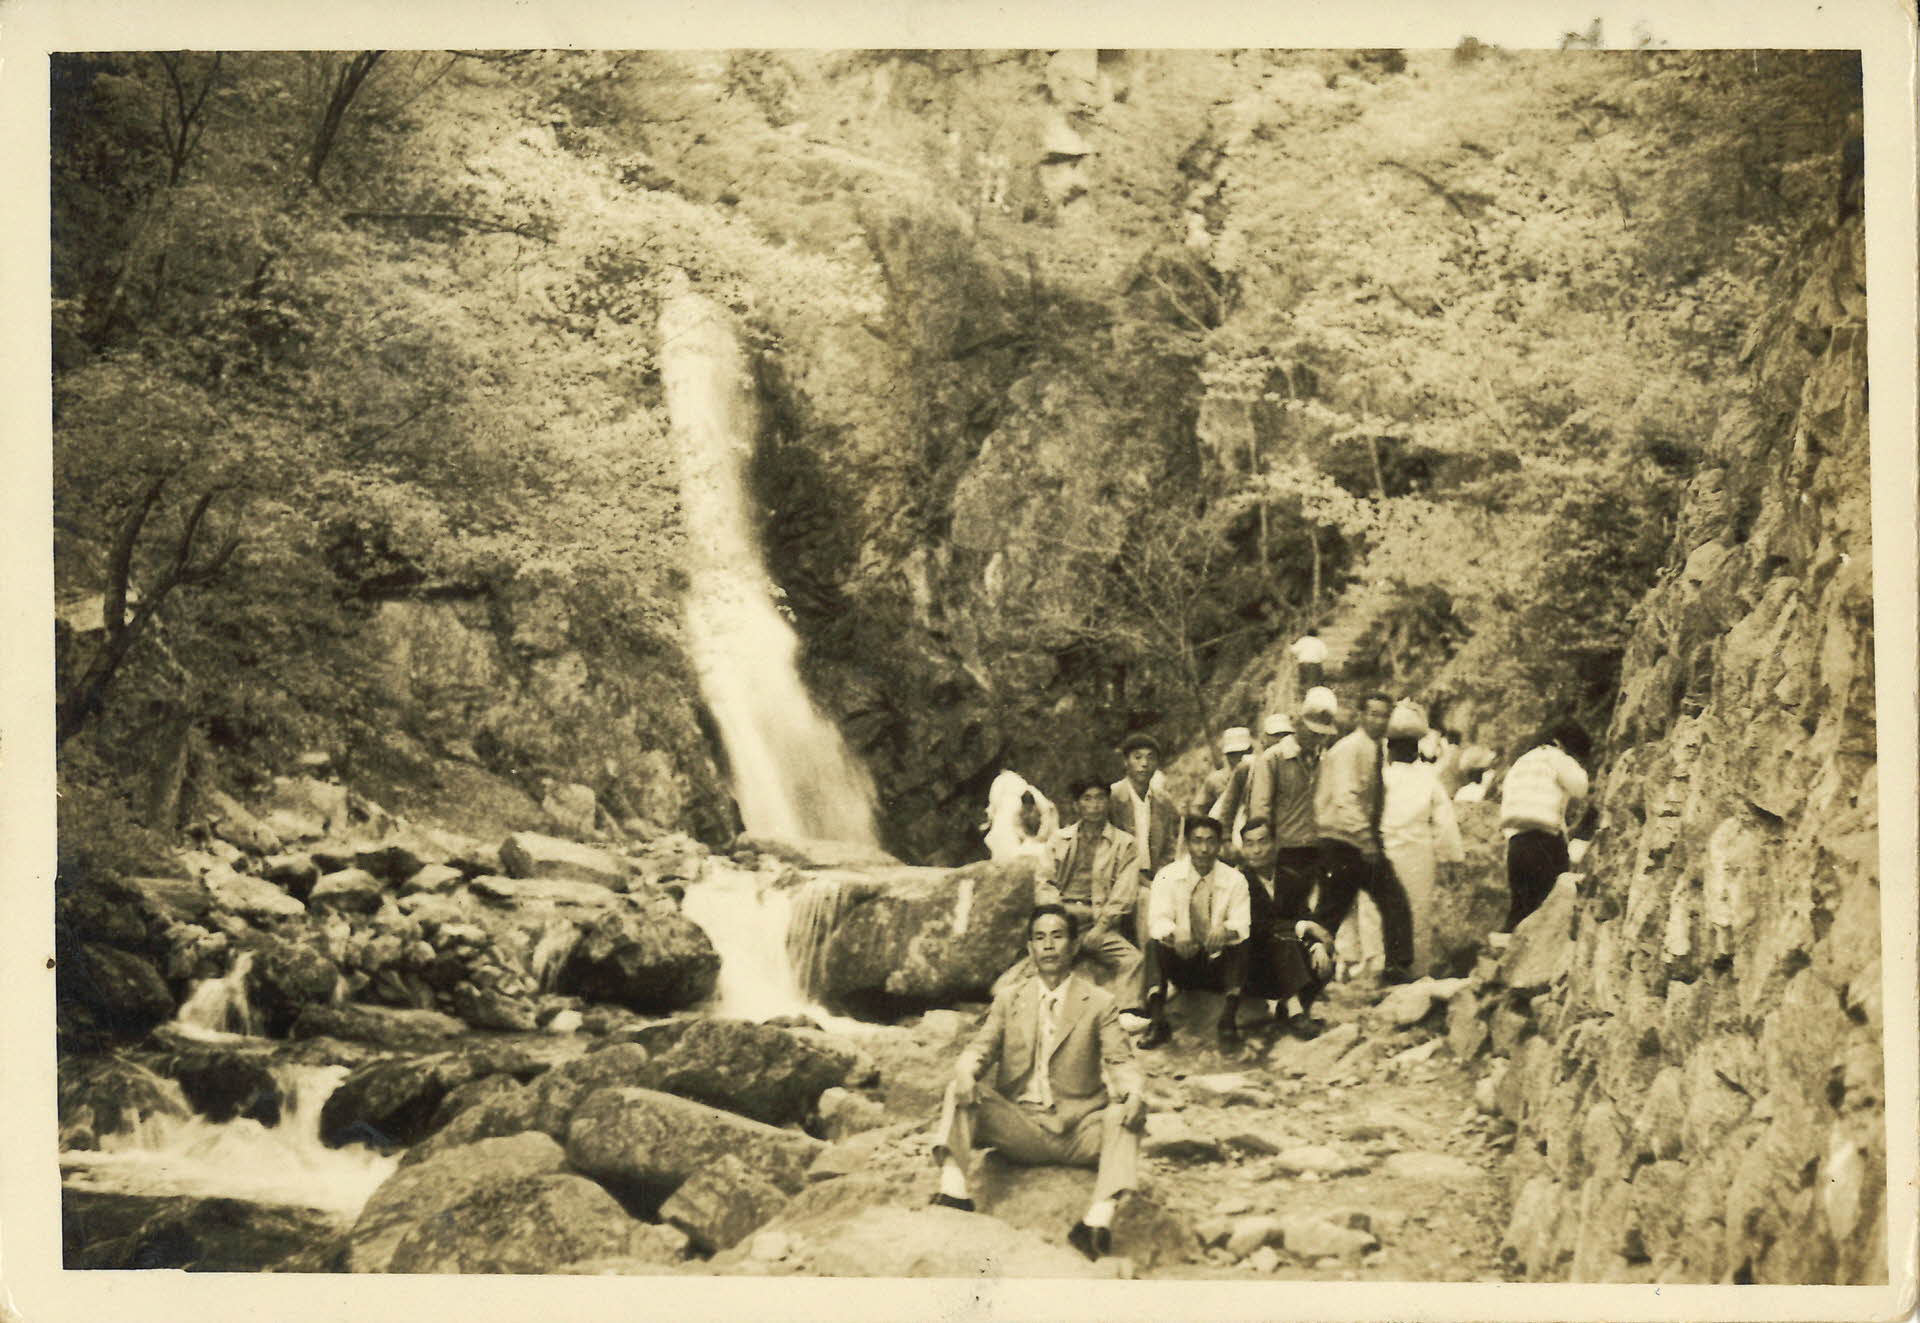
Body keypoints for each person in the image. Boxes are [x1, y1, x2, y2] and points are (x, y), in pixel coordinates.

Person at [932, 905, 1147, 1261]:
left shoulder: (1100, 1002)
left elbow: (1121, 1060)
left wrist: (1133, 1092)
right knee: (960, 1086)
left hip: (1079, 1132)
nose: (1048, 945)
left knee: (1125, 1112)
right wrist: (967, 1070)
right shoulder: (1009, 999)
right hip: (1021, 1128)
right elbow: (981, 1047)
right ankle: (954, 1193)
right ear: (1030, 948)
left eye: (1057, 936)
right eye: (1039, 938)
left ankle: (1096, 1223)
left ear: (1074, 946)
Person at [1311, 692, 1419, 986]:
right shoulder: (1351, 749)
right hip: (1343, 841)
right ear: (1361, 716)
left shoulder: (1372, 748)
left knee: (1387, 901)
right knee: (1337, 911)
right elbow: (1345, 798)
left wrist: (1371, 836)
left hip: (1354, 840)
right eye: (1373, 714)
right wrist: (1365, 839)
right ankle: (1304, 975)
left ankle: (1396, 968)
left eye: (1385, 715)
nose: (1379, 721)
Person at [1006, 778, 1143, 997]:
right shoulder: (1060, 839)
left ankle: (1128, 1011)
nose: (1094, 805)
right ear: (1076, 805)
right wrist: (1056, 918)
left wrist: (1101, 928)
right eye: (1087, 799)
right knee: (1041, 964)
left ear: (1108, 803)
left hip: (1097, 919)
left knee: (1132, 960)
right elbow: (1045, 882)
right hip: (1062, 915)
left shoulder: (1125, 843)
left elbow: (1123, 895)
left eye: (1100, 798)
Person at [1138, 816, 1253, 1051]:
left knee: (1243, 946)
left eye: (1211, 841)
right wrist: (1175, 934)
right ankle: (1158, 1022)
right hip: (1183, 961)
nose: (1204, 849)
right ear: (1187, 844)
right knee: (1153, 946)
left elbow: (1242, 924)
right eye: (1197, 841)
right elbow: (1157, 921)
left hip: (1218, 965)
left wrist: (1225, 931)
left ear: (1219, 845)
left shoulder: (1235, 879)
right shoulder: (1167, 875)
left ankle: (1228, 1021)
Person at [1379, 701, 1466, 975]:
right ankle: (1414, 971)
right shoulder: (1429, 780)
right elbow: (1445, 825)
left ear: (1389, 746)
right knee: (1417, 912)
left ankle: (1378, 967)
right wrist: (1452, 860)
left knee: (1378, 913)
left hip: (1381, 855)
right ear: (1416, 747)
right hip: (1418, 858)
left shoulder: (1380, 778)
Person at [1235, 816, 1335, 1038]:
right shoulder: (1237, 882)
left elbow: (1302, 913)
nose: (1257, 850)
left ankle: (1291, 1010)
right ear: (1242, 849)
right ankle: (1296, 1014)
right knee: (1284, 943)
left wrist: (1317, 945)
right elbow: (1257, 926)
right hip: (1251, 962)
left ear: (1275, 843)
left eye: (1263, 841)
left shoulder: (1289, 878)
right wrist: (1305, 926)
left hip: (1284, 959)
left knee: (1324, 954)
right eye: (1249, 844)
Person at [1108, 732, 1181, 1006]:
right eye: (1137, 757)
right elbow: (1106, 848)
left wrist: (1162, 876)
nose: (1144, 764)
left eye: (1150, 758)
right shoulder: (1112, 797)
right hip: (1119, 878)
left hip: (1155, 875)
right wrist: (1137, 878)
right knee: (1147, 903)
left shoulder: (1163, 801)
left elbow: (1171, 845)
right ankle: (1152, 986)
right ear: (1125, 762)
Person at [1497, 722, 1592, 931]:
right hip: (1544, 840)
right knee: (1551, 903)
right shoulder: (1557, 757)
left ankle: (1508, 943)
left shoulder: (1521, 762)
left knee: (1521, 905)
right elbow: (1580, 787)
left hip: (1516, 842)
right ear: (1567, 746)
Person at [1193, 727, 1255, 840]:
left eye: (1242, 753)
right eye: (1233, 754)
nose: (1238, 758)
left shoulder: (1259, 776)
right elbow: (1199, 810)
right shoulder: (1215, 780)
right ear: (1226, 755)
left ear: (1250, 751)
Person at [983, 770, 1058, 863]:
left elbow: (1047, 815)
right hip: (1010, 813)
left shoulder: (1039, 801)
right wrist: (1025, 837)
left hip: (1046, 822)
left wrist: (1041, 836)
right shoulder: (1014, 805)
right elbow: (1016, 823)